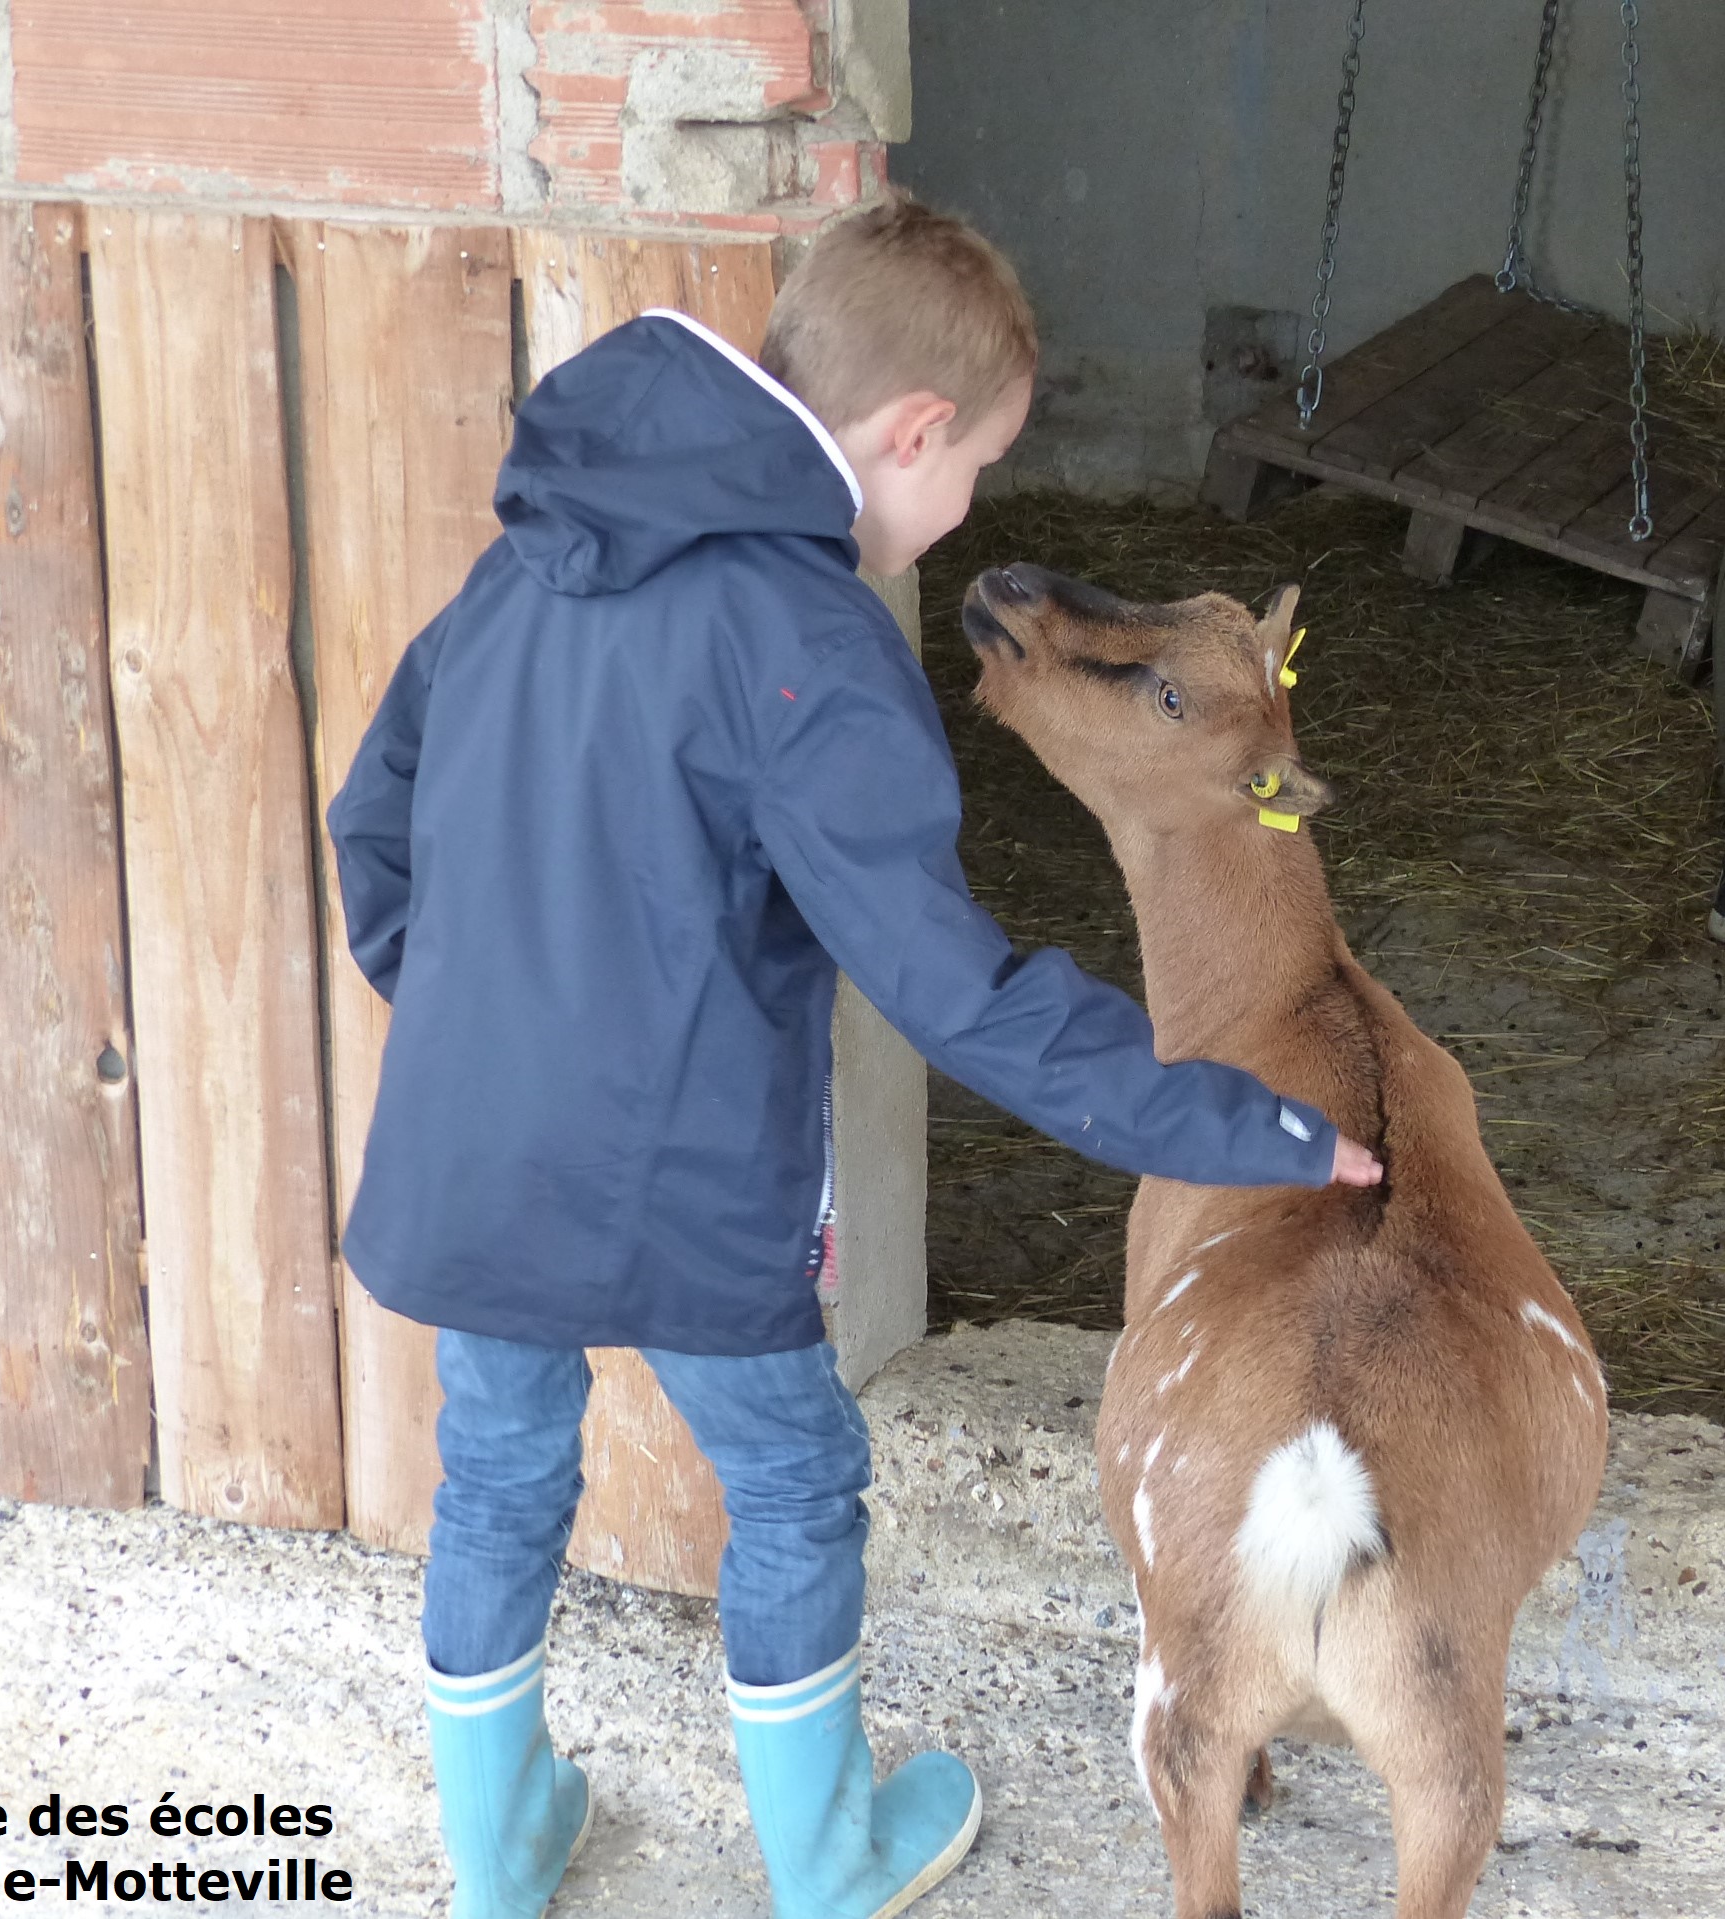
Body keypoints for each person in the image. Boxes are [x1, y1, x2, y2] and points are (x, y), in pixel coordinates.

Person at [327, 194, 1383, 1919]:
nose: (969, 516)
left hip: (468, 1141)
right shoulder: (812, 647)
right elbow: (955, 992)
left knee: (499, 1471)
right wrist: (1242, 1124)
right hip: (678, 1177)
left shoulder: (531, 553)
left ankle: (498, 1847)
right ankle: (827, 1857)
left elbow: (373, 821)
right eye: (977, 474)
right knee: (798, 1479)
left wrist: (457, 1010)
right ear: (910, 436)